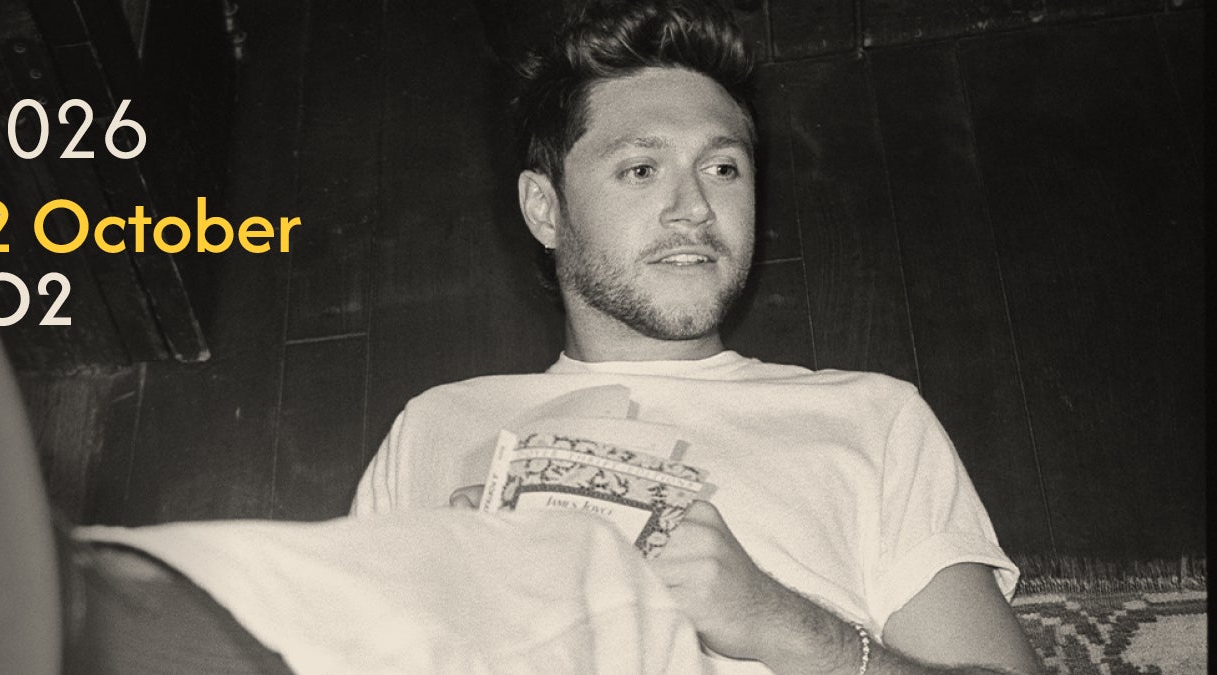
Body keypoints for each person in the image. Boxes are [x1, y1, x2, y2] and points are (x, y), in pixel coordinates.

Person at [350, 1, 1040, 674]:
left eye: (722, 168)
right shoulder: (434, 430)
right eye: (641, 170)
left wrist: (778, 621)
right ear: (545, 209)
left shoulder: (873, 417)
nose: (695, 209)